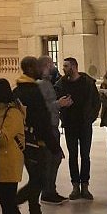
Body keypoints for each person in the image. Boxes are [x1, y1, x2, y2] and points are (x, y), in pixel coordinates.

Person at [12, 56, 61, 214]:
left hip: (22, 140)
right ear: (31, 69)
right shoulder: (32, 91)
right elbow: (42, 120)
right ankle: (14, 203)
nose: (41, 69)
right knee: (39, 178)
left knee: (36, 177)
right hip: (34, 142)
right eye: (38, 67)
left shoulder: (17, 90)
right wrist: (54, 146)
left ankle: (34, 207)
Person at [54, 56, 100, 201]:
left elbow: (96, 102)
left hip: (84, 124)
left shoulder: (87, 83)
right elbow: (56, 102)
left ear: (74, 67)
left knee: (85, 156)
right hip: (70, 124)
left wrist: (90, 118)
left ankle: (85, 186)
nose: (63, 69)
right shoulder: (61, 84)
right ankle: (75, 186)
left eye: (66, 66)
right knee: (72, 156)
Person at [0, 78, 25, 214]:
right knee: (7, 205)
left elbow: (4, 139)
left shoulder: (13, 112)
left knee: (9, 206)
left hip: (7, 166)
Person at [36, 56, 69, 205]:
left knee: (54, 159)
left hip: (52, 126)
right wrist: (59, 104)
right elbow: (42, 108)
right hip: (48, 127)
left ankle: (50, 190)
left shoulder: (47, 83)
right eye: (52, 64)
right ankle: (47, 191)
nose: (54, 67)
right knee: (51, 159)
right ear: (46, 65)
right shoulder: (42, 84)